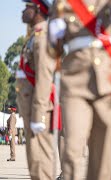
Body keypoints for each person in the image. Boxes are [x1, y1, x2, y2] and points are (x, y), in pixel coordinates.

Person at [48, 0, 111, 179]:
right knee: (72, 147)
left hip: (107, 78)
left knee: (102, 156)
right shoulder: (62, 2)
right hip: (75, 78)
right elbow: (53, 46)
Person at [16, 1, 56, 179]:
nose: (24, 11)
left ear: (38, 9)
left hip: (37, 108)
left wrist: (39, 113)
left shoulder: (42, 36)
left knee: (40, 160)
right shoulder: (35, 35)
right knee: (34, 160)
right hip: (31, 107)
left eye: (28, 7)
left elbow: (44, 76)